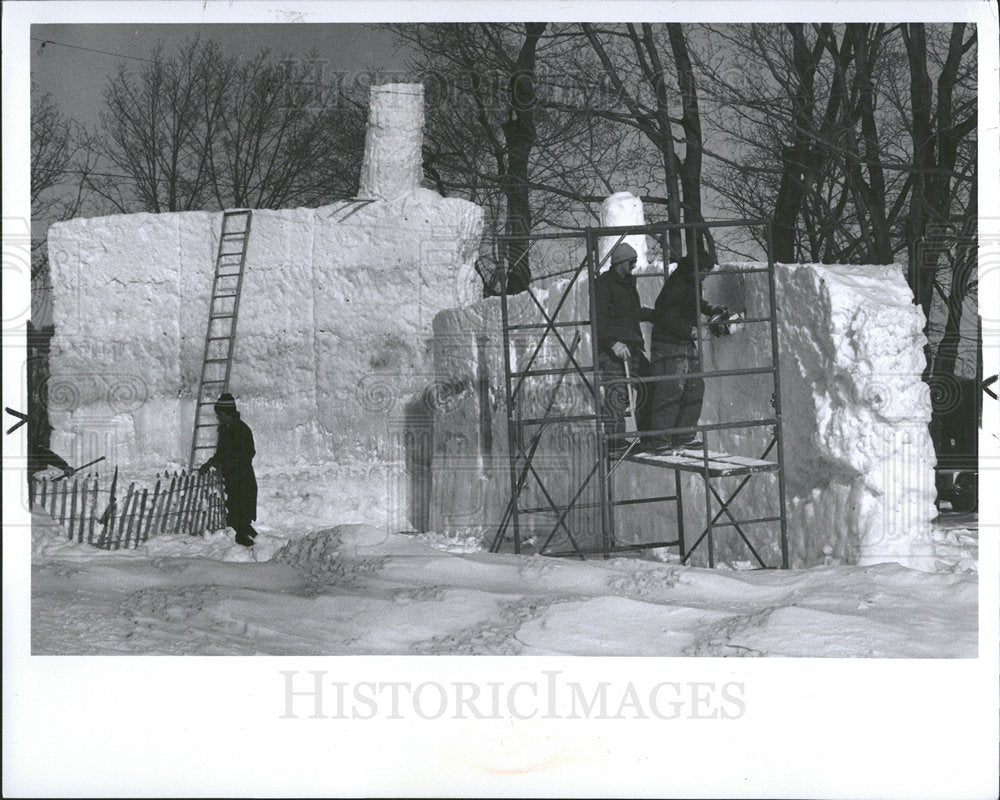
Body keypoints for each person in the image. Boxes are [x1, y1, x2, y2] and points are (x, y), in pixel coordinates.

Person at [646, 249, 728, 453]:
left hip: (683, 342)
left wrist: (711, 309)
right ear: (697, 269)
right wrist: (689, 330)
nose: (706, 277)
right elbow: (664, 316)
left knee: (694, 387)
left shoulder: (691, 281)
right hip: (668, 344)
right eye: (705, 273)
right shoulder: (677, 285)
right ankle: (660, 440)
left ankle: (683, 435)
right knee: (670, 390)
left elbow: (694, 303)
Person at [594, 241, 654, 456]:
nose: (633, 266)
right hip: (613, 351)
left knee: (650, 385)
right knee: (616, 395)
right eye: (631, 262)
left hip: (633, 347)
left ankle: (648, 437)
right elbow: (597, 319)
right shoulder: (603, 284)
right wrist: (612, 343)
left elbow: (634, 312)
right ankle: (614, 443)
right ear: (619, 262)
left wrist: (657, 314)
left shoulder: (629, 283)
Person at [199, 393, 259, 547]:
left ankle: (253, 554)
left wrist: (225, 465)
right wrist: (211, 463)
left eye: (220, 414)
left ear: (228, 414)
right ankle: (255, 547)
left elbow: (247, 454)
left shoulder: (241, 430)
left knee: (241, 522)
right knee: (237, 521)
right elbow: (221, 454)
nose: (218, 418)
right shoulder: (226, 430)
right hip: (233, 482)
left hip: (243, 481)